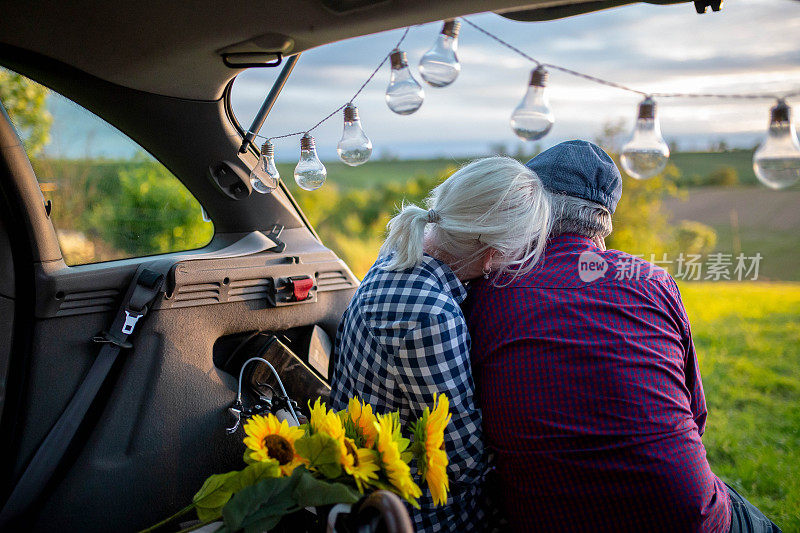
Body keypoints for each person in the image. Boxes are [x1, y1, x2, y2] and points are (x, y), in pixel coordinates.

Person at [465, 140, 782, 533]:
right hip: (685, 515)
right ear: (604, 220)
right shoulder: (653, 281)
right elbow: (696, 418)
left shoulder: (488, 286)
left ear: (530, 207)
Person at [330, 157, 553, 532]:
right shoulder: (430, 315)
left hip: (361, 483)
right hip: (419, 514)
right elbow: (463, 464)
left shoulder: (397, 255)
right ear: (493, 253)